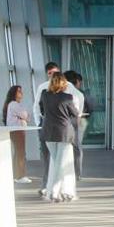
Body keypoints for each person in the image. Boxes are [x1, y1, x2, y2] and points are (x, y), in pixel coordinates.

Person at [39, 72, 80, 202]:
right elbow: (75, 113)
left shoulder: (44, 95)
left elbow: (42, 110)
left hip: (48, 133)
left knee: (56, 162)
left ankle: (56, 191)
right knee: (59, 164)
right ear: (63, 83)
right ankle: (54, 193)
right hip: (63, 133)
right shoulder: (67, 97)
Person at [2, 85, 33, 183]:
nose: (21, 93)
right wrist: (24, 117)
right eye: (19, 91)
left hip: (15, 130)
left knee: (18, 152)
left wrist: (24, 117)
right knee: (21, 152)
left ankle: (16, 175)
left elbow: (27, 117)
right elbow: (26, 115)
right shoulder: (14, 104)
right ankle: (20, 176)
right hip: (17, 130)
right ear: (14, 93)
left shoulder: (13, 104)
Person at [35, 61, 61, 170]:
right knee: (46, 153)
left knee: (60, 153)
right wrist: (38, 123)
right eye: (50, 73)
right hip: (45, 122)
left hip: (61, 123)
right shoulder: (42, 87)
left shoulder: (67, 85)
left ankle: (60, 176)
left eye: (55, 72)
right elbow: (36, 105)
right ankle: (47, 179)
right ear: (47, 74)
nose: (52, 75)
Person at [63, 70, 87, 178]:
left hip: (63, 122)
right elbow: (79, 112)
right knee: (77, 148)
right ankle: (77, 173)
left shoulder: (61, 93)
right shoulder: (79, 94)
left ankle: (66, 172)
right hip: (75, 121)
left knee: (64, 148)